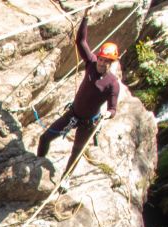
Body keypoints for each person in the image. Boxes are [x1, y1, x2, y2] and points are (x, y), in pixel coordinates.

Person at [36, 7, 120, 185]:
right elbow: (81, 41)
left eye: (107, 61)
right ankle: (38, 161)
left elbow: (113, 108)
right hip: (73, 114)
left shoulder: (112, 83)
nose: (103, 63)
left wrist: (108, 114)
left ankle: (66, 179)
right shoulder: (91, 63)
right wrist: (86, 18)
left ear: (111, 63)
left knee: (77, 151)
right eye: (102, 59)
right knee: (45, 137)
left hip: (89, 123)